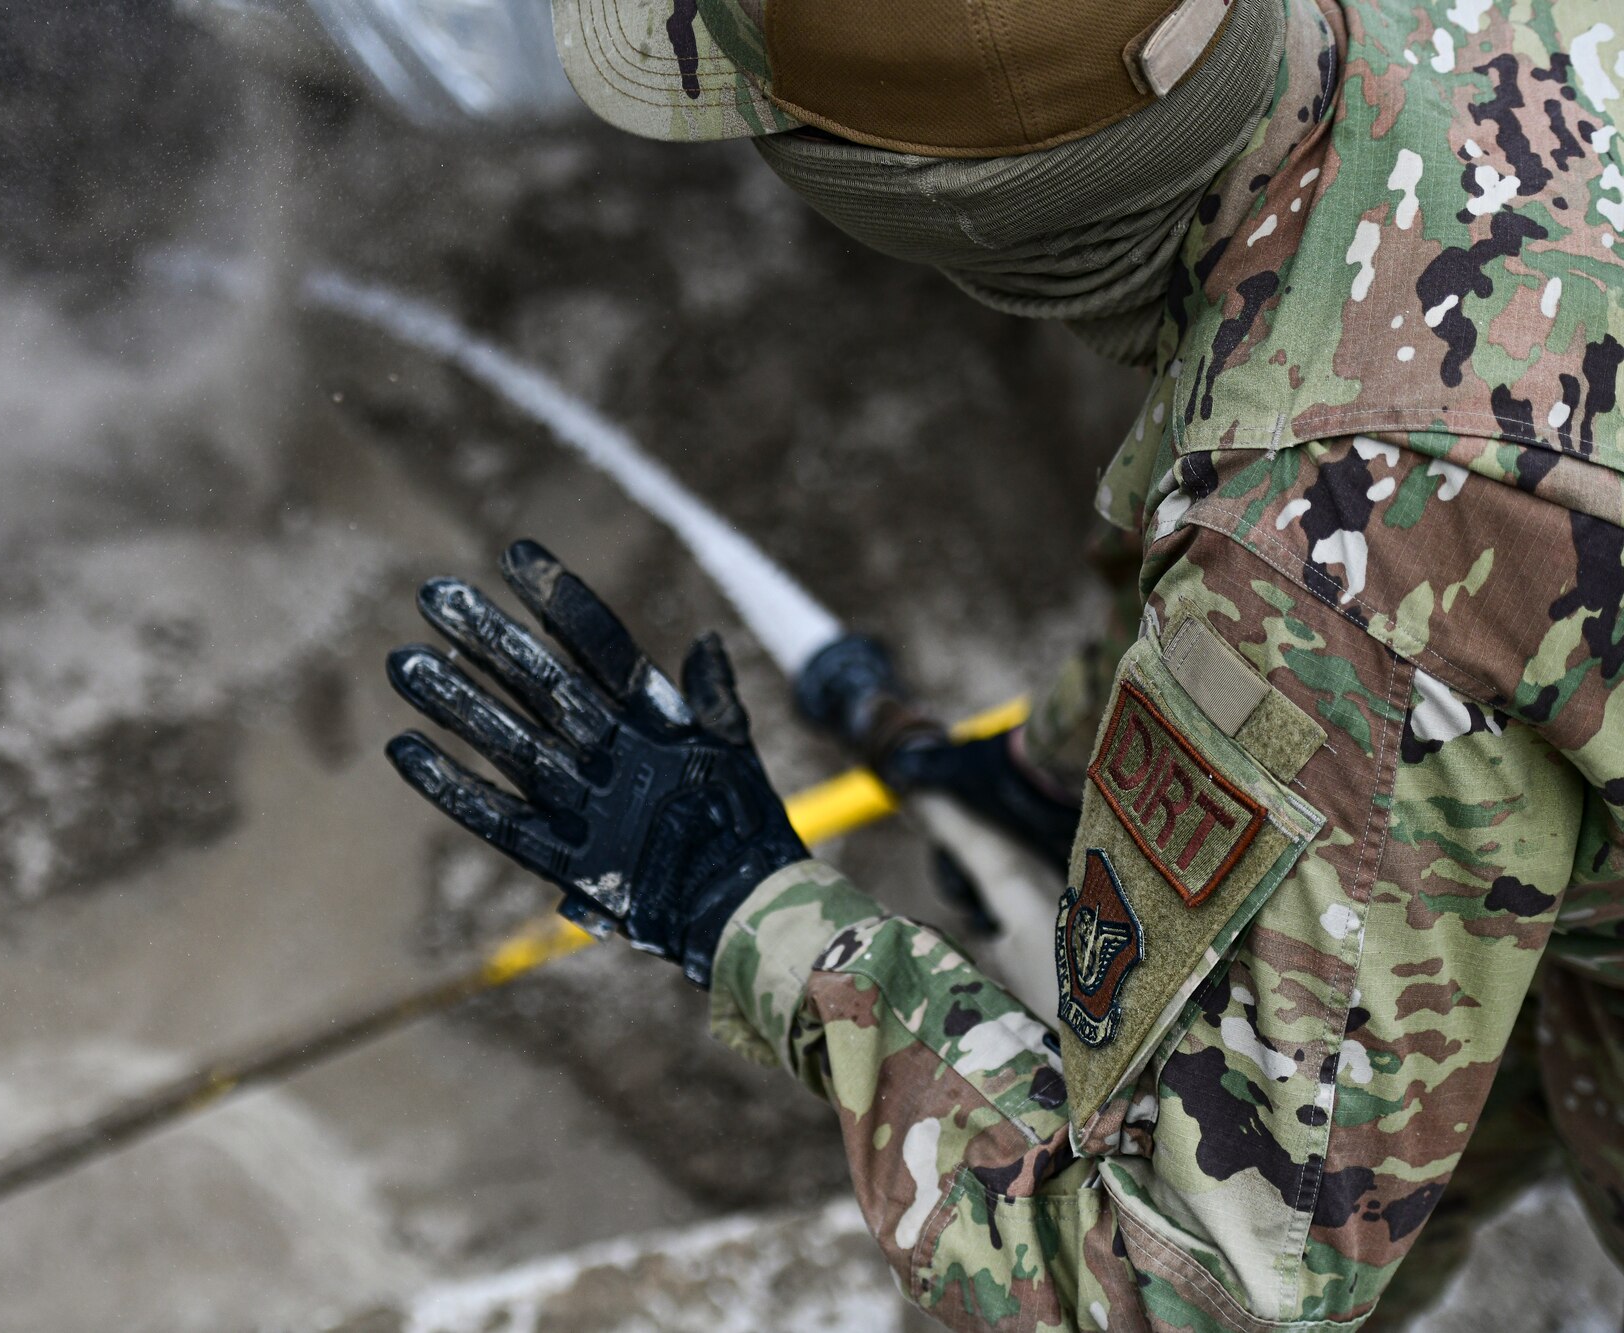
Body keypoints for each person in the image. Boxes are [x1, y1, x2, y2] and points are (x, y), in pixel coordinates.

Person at [382, 0, 1624, 1327]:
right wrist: (1064, 762)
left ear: (949, 209)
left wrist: (754, 916)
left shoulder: (1330, 541)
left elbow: (1174, 1292)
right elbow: (1468, 626)